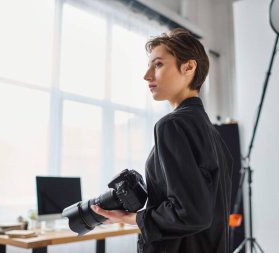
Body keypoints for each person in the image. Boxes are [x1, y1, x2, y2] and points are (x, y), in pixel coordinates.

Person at [91, 28, 233, 253]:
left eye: (157, 65)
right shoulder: (212, 133)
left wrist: (131, 218)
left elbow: (190, 214)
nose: (147, 75)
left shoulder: (172, 125)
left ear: (188, 67)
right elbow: (203, 210)